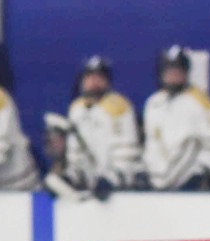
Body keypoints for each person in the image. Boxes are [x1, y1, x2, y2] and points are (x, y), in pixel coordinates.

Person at [47, 56, 141, 200]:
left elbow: (126, 153)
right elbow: (75, 152)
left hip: (117, 184)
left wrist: (112, 178)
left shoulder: (119, 106)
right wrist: (73, 176)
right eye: (89, 77)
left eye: (99, 77)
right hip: (91, 181)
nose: (93, 82)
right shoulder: (76, 108)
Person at [141, 46, 210, 191]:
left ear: (186, 73)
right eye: (169, 70)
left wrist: (200, 172)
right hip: (156, 185)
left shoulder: (201, 102)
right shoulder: (153, 103)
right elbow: (151, 144)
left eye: (178, 70)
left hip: (189, 186)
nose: (173, 74)